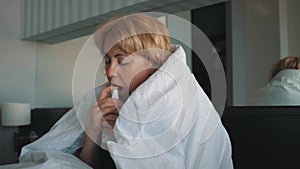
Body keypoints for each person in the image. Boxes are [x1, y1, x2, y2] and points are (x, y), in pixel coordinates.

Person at [20, 13, 233, 169]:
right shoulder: (104, 98)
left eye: (122, 61)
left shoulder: (175, 102)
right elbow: (86, 166)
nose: (110, 71)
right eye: (107, 61)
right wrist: (93, 131)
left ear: (152, 62)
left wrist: (123, 129)